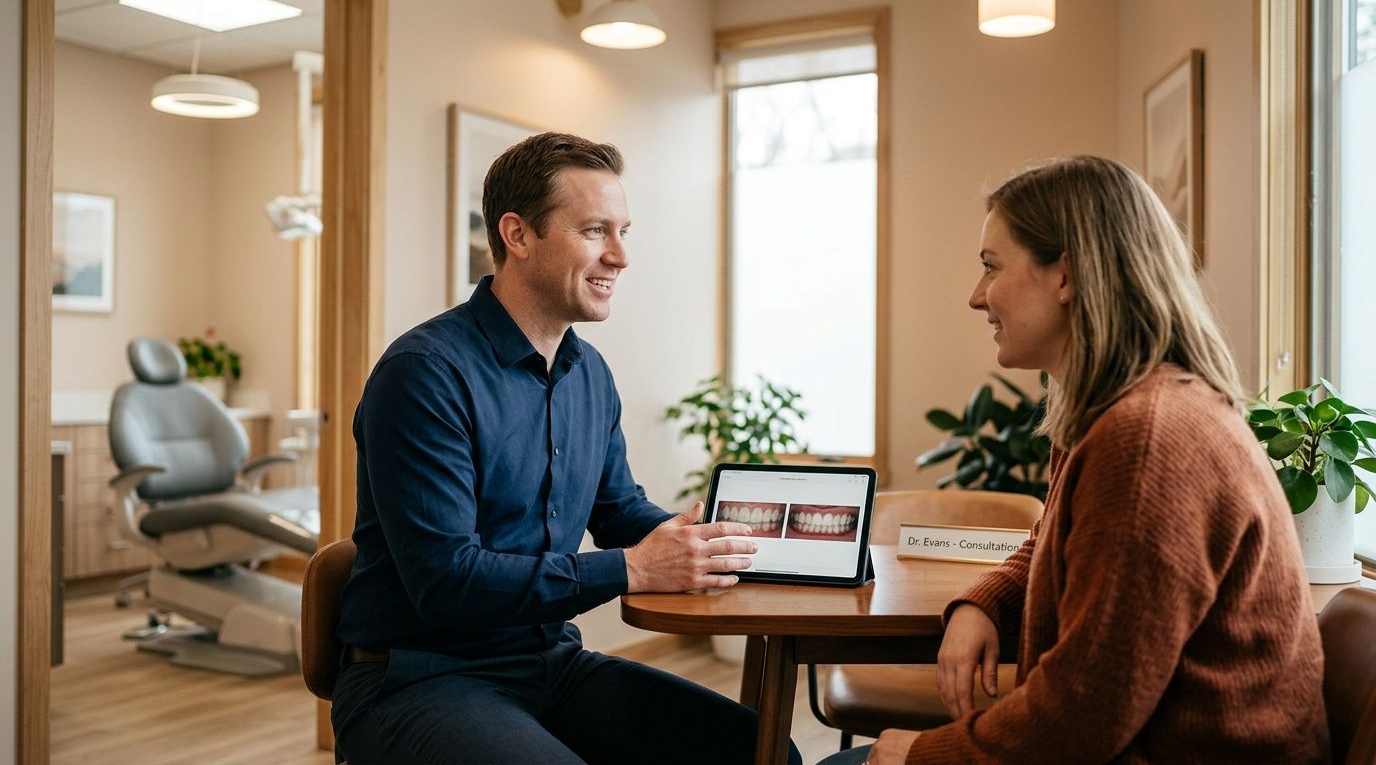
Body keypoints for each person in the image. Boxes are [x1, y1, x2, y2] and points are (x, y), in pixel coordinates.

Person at [833, 156, 1328, 764]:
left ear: (1065, 275)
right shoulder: (1116, 413)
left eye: (991, 267)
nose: (975, 296)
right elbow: (1054, 545)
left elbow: (1083, 716)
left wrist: (922, 757)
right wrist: (986, 602)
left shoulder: (1147, 441)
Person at [330, 132, 800, 765]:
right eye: (595, 231)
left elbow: (617, 509)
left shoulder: (589, 374)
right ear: (519, 236)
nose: (620, 256)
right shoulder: (424, 373)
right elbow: (447, 582)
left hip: (548, 664)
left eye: (623, 231)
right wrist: (634, 568)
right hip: (419, 678)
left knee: (764, 754)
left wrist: (700, 541)